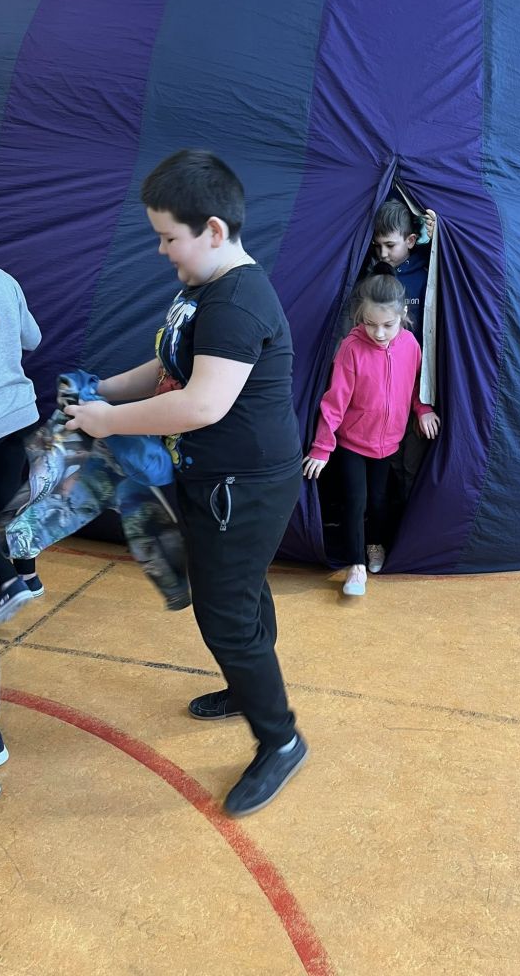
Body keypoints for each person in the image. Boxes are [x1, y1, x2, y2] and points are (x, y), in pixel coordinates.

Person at [64, 150, 306, 816]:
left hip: (244, 484)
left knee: (224, 614)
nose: (162, 250)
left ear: (214, 230)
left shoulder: (237, 301)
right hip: (217, 477)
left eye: (169, 237)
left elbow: (201, 404)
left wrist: (109, 422)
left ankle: (280, 739)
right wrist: (103, 391)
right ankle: (247, 684)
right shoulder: (202, 288)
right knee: (241, 591)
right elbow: (171, 366)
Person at [303, 265, 441, 595]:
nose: (378, 333)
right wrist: (322, 447)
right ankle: (356, 567)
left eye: (387, 325)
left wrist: (422, 409)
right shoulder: (351, 348)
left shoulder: (410, 345)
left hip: (389, 443)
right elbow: (335, 401)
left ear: (403, 315)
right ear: (360, 317)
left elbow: (414, 386)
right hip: (352, 442)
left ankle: (375, 543)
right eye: (370, 323)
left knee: (379, 500)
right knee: (356, 501)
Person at [0, 268, 46, 795]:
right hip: (16, 418)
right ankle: (25, 574)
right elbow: (32, 339)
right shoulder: (5, 280)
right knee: (14, 509)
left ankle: (12, 580)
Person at [370, 200, 437, 500]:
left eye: (390, 245)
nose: (383, 253)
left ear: (411, 240)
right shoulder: (375, 274)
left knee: (413, 461)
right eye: (377, 246)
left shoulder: (426, 270)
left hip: (420, 380)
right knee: (393, 461)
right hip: (386, 381)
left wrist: (438, 237)